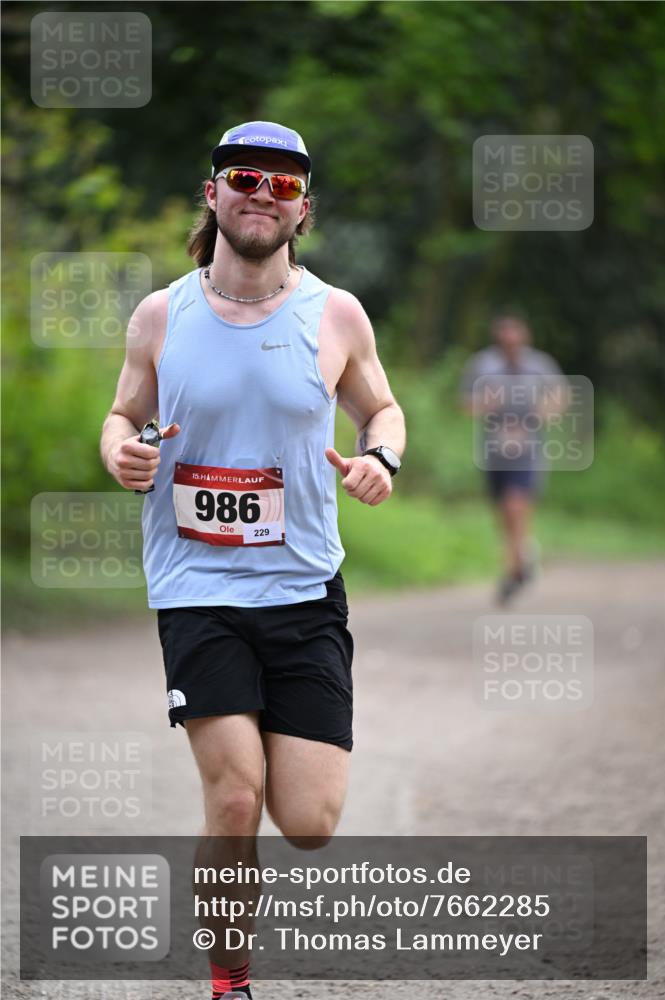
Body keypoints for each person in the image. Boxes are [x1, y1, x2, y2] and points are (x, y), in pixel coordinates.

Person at [100, 121, 405, 1000]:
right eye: (243, 177)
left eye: (281, 186)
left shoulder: (335, 313)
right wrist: (119, 450)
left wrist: (379, 459)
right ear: (213, 194)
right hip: (197, 585)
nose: (260, 195)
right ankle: (229, 978)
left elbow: (382, 409)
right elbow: (123, 416)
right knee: (234, 800)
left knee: (307, 824)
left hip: (303, 588)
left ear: (301, 209)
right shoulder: (162, 314)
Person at [460, 312, 566, 605]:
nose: (510, 346)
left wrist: (540, 413)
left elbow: (560, 397)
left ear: (524, 339)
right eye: (504, 341)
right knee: (504, 512)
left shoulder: (540, 366)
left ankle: (513, 571)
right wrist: (484, 405)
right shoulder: (482, 365)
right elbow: (465, 403)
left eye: (515, 340)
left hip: (528, 449)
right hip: (494, 450)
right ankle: (524, 555)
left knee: (516, 504)